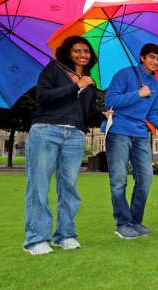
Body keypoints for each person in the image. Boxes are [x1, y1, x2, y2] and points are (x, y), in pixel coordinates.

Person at [23, 36, 109, 255]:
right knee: (39, 186)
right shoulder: (53, 70)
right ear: (68, 53)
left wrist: (103, 116)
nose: (83, 54)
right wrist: (74, 86)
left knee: (69, 187)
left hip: (74, 136)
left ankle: (65, 235)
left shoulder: (90, 82)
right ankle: (36, 239)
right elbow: (42, 98)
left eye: (86, 51)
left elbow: (87, 115)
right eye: (77, 50)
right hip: (46, 131)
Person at [104, 43, 158, 239]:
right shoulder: (124, 74)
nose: (155, 61)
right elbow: (110, 102)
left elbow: (153, 113)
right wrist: (137, 94)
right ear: (142, 57)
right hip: (119, 131)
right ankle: (122, 223)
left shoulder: (156, 85)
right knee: (119, 180)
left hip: (141, 134)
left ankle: (135, 220)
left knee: (146, 178)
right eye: (152, 57)